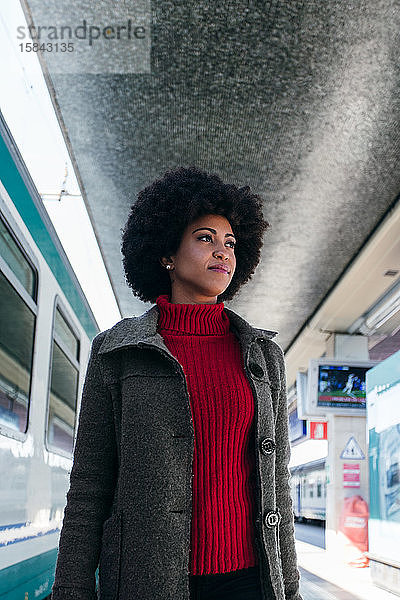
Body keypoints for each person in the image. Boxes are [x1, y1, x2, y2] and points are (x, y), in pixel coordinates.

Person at [51, 166, 303, 600]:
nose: (222, 252)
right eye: (205, 237)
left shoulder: (263, 356)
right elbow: (90, 486)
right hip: (147, 581)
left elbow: (277, 484)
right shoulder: (118, 352)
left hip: (252, 582)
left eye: (230, 243)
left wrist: (291, 590)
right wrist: (71, 589)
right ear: (167, 252)